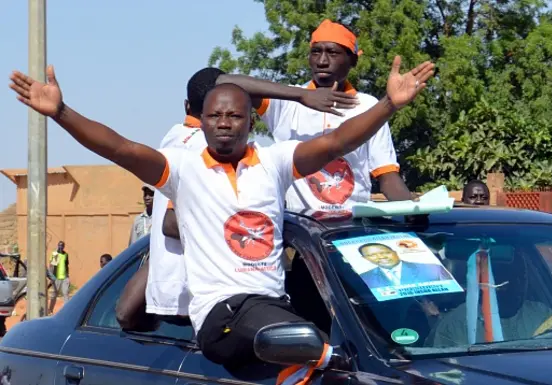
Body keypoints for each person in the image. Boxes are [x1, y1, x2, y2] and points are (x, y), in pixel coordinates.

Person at [8, 56, 434, 374]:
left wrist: (387, 106)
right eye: (215, 115)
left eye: (234, 115)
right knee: (327, 355)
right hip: (221, 317)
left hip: (272, 315)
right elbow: (119, 147)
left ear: (252, 120)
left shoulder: (275, 163)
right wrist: (62, 113)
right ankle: (332, 357)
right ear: (203, 121)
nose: (224, 123)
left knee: (294, 336)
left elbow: (337, 141)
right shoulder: (182, 168)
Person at [115, 67, 360, 330]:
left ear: (186, 105)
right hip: (206, 303)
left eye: (234, 115)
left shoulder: (174, 138)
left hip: (180, 299)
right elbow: (171, 223)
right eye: (221, 112)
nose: (225, 123)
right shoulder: (204, 151)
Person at [256, 20, 416, 213]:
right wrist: (301, 95)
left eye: (332, 53)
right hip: (298, 228)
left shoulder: (368, 106)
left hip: (351, 225)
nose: (322, 61)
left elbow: (387, 175)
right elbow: (223, 82)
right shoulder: (286, 102)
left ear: (353, 60)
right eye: (316, 52)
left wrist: (413, 211)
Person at [358, 243, 451, 289]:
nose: (381, 257)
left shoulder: (433, 269)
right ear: (365, 258)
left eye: (385, 252)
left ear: (395, 252)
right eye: (372, 255)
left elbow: (451, 295)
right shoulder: (364, 278)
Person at [48, 241, 70, 313]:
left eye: (62, 246)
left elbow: (66, 265)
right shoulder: (56, 254)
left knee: (65, 293)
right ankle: (50, 310)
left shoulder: (65, 254)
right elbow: (52, 266)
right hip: (56, 277)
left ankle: (67, 310)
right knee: (54, 294)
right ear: (58, 246)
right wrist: (51, 277)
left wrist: (67, 275)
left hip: (64, 278)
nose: (61, 247)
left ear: (64, 246)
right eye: (59, 245)